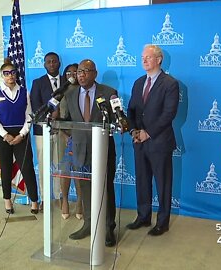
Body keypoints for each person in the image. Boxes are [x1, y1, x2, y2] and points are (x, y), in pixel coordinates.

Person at [126, 44, 179, 236]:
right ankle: (143, 216)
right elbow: (130, 110)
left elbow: (169, 114)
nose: (144, 60)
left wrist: (147, 133)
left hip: (159, 142)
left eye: (148, 57)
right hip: (139, 142)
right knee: (142, 180)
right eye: (142, 57)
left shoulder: (170, 83)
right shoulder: (139, 82)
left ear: (159, 59)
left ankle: (162, 222)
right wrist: (133, 130)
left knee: (163, 183)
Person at [63, 59, 117, 247]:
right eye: (78, 71)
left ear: (95, 73)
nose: (81, 75)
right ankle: (88, 224)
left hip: (103, 149)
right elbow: (65, 121)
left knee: (105, 188)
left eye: (86, 71)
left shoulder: (109, 93)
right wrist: (74, 136)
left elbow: (117, 119)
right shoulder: (69, 94)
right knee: (84, 188)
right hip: (80, 149)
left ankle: (108, 228)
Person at [0, 59, 39, 215]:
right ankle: (7, 200)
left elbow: (29, 116)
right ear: (2, 75)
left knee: (27, 167)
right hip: (1, 136)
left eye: (13, 72)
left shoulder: (24, 92)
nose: (10, 76)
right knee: (6, 167)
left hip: (21, 135)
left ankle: (34, 200)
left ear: (16, 74)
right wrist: (6, 135)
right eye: (6, 73)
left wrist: (22, 134)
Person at [30, 52, 65, 211]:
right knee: (44, 166)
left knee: (59, 165)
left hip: (63, 131)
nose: (52, 64)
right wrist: (51, 116)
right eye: (48, 62)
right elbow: (36, 107)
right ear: (44, 65)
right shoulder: (38, 83)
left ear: (59, 63)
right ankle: (45, 198)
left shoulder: (67, 81)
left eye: (54, 61)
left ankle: (59, 196)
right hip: (42, 131)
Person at [58, 63, 83, 220]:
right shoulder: (61, 94)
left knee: (80, 171)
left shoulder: (86, 92)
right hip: (64, 136)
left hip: (81, 137)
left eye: (76, 72)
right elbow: (59, 118)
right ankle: (65, 200)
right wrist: (65, 135)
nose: (72, 75)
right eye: (69, 73)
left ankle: (80, 202)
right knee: (65, 170)